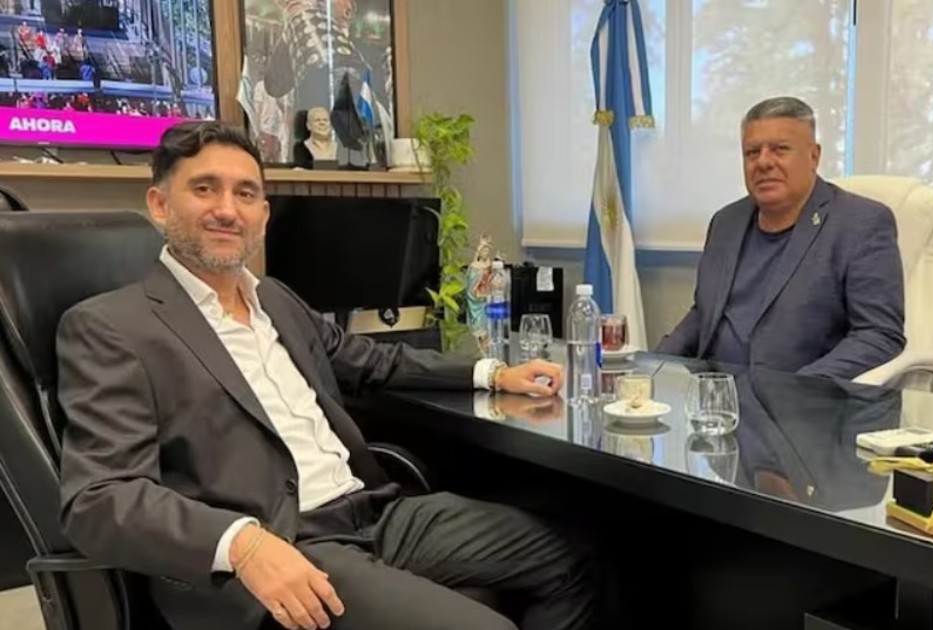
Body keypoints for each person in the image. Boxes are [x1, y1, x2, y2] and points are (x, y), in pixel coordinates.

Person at [57, 121, 597, 630]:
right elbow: (99, 497)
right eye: (204, 189)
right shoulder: (113, 326)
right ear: (159, 204)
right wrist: (243, 543)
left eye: (245, 193)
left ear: (263, 214)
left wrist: (493, 372)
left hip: (374, 515)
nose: (227, 210)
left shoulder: (275, 299)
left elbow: (374, 360)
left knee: (577, 556)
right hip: (282, 543)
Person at [656, 96, 905, 379]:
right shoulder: (726, 222)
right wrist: (652, 367)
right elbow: (704, 315)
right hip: (711, 394)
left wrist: (800, 386)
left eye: (780, 149)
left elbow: (879, 335)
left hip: (798, 397)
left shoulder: (861, 223)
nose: (763, 162)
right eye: (752, 152)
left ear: (814, 156)